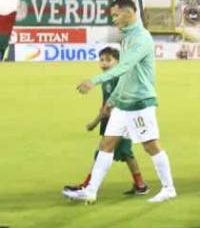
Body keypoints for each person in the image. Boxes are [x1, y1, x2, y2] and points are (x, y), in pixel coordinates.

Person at [69, 0, 176, 204]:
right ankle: (91, 191)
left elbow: (124, 67)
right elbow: (127, 76)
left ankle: (169, 188)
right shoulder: (127, 37)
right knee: (106, 143)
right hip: (124, 104)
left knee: (150, 145)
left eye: (116, 15)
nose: (114, 19)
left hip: (139, 103)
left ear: (129, 13)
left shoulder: (141, 38)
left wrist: (94, 81)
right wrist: (113, 99)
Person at [62, 46, 149, 199]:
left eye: (108, 60)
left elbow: (110, 106)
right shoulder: (107, 79)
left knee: (101, 153)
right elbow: (105, 105)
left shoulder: (117, 79)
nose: (104, 63)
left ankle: (87, 185)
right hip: (115, 120)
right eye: (101, 60)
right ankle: (140, 185)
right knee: (126, 153)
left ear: (118, 62)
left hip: (119, 120)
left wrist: (94, 123)